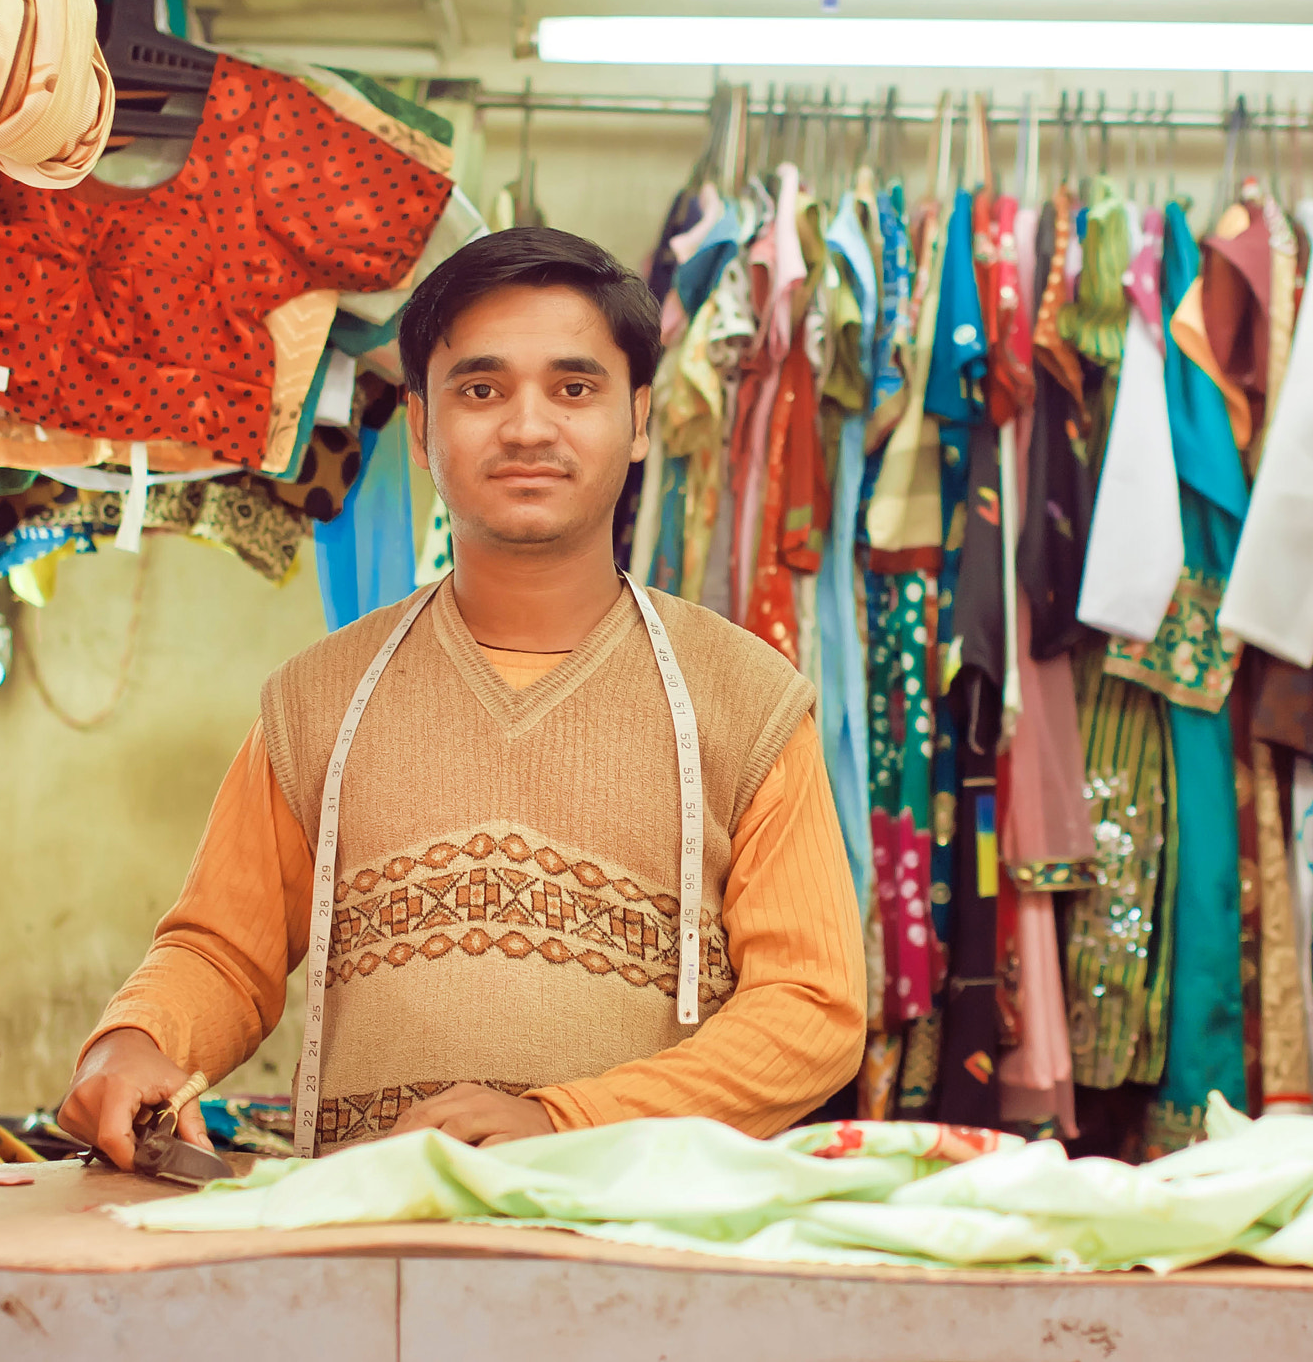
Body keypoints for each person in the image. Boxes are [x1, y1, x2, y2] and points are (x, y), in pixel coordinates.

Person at [59, 227, 866, 1167]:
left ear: (640, 418)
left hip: (642, 1260)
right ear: (422, 425)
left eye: (575, 388)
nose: (527, 427)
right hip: (373, 1254)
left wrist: (568, 1123)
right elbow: (220, 953)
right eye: (481, 390)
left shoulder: (749, 700)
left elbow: (812, 1011)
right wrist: (136, 1040)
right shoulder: (318, 700)